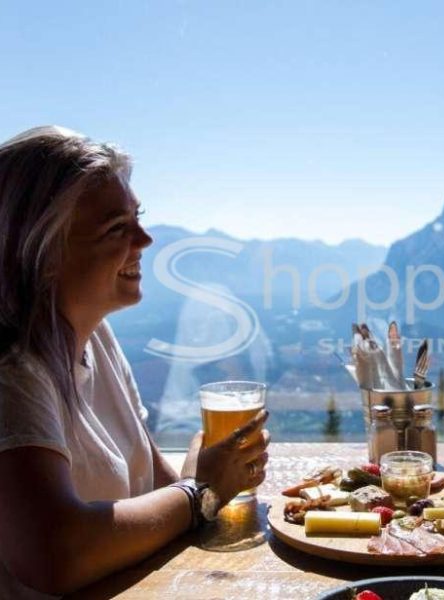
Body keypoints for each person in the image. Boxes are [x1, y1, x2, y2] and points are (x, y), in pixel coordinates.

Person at [0, 126, 270, 598]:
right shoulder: (13, 371)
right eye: (116, 228)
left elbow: (158, 494)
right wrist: (199, 492)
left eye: (137, 219)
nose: (144, 240)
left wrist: (199, 479)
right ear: (41, 252)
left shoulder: (96, 338)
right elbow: (53, 554)